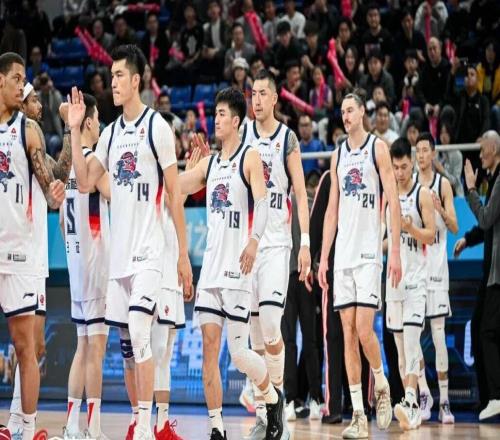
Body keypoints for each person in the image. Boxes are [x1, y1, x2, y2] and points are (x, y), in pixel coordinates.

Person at [66, 44, 192, 440]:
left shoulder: (157, 128)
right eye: (112, 76)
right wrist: (74, 130)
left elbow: (174, 194)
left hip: (149, 253)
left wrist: (182, 256)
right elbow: (84, 181)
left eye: (119, 75)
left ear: (137, 80)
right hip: (118, 259)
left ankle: (145, 427)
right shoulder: (110, 134)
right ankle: (140, 420)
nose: (113, 82)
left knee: (140, 330)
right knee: (127, 346)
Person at [178, 87, 285, 440]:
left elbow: (264, 203)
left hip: (238, 270)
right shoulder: (209, 164)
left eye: (222, 114)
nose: (216, 119)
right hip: (210, 271)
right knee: (210, 350)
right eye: (215, 114)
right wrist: (177, 168)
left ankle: (273, 398)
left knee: (239, 355)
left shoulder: (249, 157)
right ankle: (216, 427)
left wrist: (254, 240)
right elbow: (176, 187)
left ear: (237, 120)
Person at [318, 89, 402, 438]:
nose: (345, 116)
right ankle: (357, 415)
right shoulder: (338, 154)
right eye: (342, 111)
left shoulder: (377, 148)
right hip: (344, 256)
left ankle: (381, 383)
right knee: (347, 333)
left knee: (365, 329)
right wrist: (324, 257)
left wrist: (394, 250)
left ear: (362, 113)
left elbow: (393, 201)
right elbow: (332, 211)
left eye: (350, 110)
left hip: (369, 253)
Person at [241, 69, 311, 439]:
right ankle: (263, 413)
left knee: (271, 324)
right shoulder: (242, 134)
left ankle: (277, 403)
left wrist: (306, 243)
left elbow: (300, 192)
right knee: (254, 337)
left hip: (277, 244)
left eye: (262, 93)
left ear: (275, 98)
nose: (256, 99)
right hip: (248, 245)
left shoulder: (287, 138)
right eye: (252, 93)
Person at [0, 52, 65, 440]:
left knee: (28, 346)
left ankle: (24, 427)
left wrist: (55, 190)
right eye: (17, 78)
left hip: (23, 251)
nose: (22, 85)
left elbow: (49, 180)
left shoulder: (28, 130)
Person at [60, 93, 111, 439]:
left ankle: (71, 426)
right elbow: (117, 197)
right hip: (96, 268)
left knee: (82, 348)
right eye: (99, 121)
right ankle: (93, 428)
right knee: (96, 350)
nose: (102, 127)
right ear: (89, 122)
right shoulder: (91, 162)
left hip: (76, 267)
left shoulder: (69, 169)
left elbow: (64, 227)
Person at [384, 138, 436, 430]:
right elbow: (386, 238)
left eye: (404, 167)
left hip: (416, 279)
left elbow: (431, 235)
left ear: (412, 163)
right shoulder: (388, 195)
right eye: (396, 167)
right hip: (394, 282)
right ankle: (413, 400)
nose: (400, 173)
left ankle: (412, 402)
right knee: (401, 352)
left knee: (413, 343)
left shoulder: (422, 194)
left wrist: (410, 228)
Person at [453, 131, 500, 414]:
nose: (480, 156)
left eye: (483, 151)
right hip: (490, 272)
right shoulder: (494, 179)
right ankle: (487, 398)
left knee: (487, 331)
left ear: (494, 148)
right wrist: (467, 240)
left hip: (497, 274)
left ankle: (495, 397)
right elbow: (487, 227)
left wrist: (470, 190)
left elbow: (485, 218)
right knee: (479, 325)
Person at [413, 132, 458, 424]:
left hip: (438, 270)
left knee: (439, 338)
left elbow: (454, 226)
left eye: (425, 150)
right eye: (417, 150)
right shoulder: (411, 185)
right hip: (416, 270)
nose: (420, 155)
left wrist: (439, 209)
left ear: (433, 153)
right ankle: (424, 394)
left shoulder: (443, 185)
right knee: (413, 337)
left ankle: (445, 402)